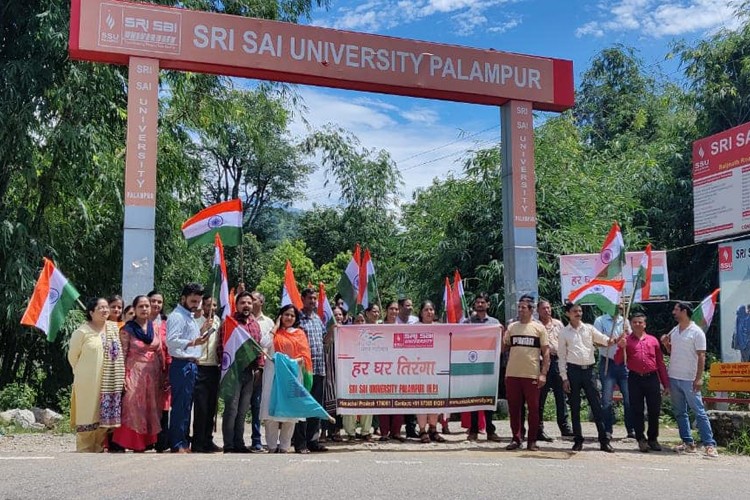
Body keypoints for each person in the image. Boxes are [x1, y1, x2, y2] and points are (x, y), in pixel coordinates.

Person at [661, 302, 718, 458]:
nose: (674, 312)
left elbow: (701, 356)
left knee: (699, 412)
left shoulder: (697, 332)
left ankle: (709, 445)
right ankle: (688, 443)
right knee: (680, 412)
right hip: (674, 376)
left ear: (684, 312)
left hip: (689, 378)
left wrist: (698, 378)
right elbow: (673, 352)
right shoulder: (675, 330)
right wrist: (666, 345)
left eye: (676, 310)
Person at [558, 302, 617, 453]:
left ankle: (604, 440)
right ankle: (578, 440)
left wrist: (613, 340)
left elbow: (605, 340)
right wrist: (564, 378)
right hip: (573, 372)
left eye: (580, 310)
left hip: (589, 372)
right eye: (575, 311)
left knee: (597, 407)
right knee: (575, 408)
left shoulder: (589, 329)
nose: (578, 313)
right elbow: (562, 357)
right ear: (568, 314)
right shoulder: (564, 332)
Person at [67, 298, 124, 452]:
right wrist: (82, 372)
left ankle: (98, 446)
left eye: (106, 307)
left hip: (109, 382)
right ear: (91, 312)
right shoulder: (82, 332)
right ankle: (84, 448)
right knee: (87, 413)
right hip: (87, 382)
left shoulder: (113, 329)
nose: (105, 310)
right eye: (101, 308)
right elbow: (73, 357)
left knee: (103, 415)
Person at [112, 296, 166, 452]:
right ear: (134, 309)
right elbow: (121, 354)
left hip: (153, 374)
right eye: (141, 306)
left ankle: (147, 442)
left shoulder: (154, 328)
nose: (144, 309)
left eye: (147, 306)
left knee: (151, 407)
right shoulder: (127, 330)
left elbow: (159, 350)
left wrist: (163, 373)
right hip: (133, 372)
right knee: (132, 406)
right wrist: (122, 376)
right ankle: (129, 442)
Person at [260, 305, 312, 453]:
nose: (289, 318)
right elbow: (263, 344)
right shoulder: (274, 333)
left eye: (292, 316)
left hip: (292, 375)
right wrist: (275, 327)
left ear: (296, 319)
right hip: (273, 375)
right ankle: (271, 446)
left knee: (291, 412)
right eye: (286, 315)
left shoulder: (299, 334)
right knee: (271, 411)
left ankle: (284, 446)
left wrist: (289, 362)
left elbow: (305, 356)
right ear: (280, 316)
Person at [166, 283, 211, 453]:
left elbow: (188, 337)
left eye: (198, 301)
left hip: (191, 364)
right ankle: (177, 443)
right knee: (180, 405)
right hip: (181, 364)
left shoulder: (189, 316)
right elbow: (171, 341)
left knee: (186, 406)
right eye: (193, 300)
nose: (195, 304)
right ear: (183, 298)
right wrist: (193, 342)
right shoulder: (177, 316)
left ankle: (183, 441)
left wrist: (202, 331)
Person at [614, 312, 669, 452]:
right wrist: (621, 347)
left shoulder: (653, 340)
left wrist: (666, 383)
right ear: (631, 324)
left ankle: (653, 438)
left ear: (645, 324)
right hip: (634, 378)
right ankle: (640, 438)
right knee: (636, 409)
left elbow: (660, 363)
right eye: (635, 322)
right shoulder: (626, 340)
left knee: (654, 410)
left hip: (652, 378)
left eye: (640, 322)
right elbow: (618, 361)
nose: (637, 324)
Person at [503, 295, 550, 452]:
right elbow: (503, 347)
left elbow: (546, 353)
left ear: (531, 310)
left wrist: (543, 373)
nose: (520, 310)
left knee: (534, 409)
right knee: (514, 408)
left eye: (524, 307)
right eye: (519, 307)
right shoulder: (512, 327)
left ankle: (532, 440)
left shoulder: (539, 328)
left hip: (531, 375)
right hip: (513, 374)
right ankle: (516, 438)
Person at [221, 291, 265, 453]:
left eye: (248, 303)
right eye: (242, 303)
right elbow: (221, 347)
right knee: (231, 409)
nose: (246, 305)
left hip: (250, 372)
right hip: (233, 372)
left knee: (243, 409)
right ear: (236, 305)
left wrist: (259, 369)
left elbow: (258, 348)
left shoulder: (255, 324)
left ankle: (239, 443)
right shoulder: (230, 323)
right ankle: (229, 444)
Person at [462, 292, 503, 443]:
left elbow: (500, 344)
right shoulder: (467, 323)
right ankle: (473, 430)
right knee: (473, 399)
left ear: (488, 305)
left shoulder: (494, 323)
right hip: (471, 366)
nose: (480, 305)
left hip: (488, 367)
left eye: (482, 302)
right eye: (478, 302)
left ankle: (490, 430)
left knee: (488, 399)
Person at [294, 288, 328, 453]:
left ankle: (313, 441)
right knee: (302, 407)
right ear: (303, 299)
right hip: (304, 370)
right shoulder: (297, 319)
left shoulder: (317, 319)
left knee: (315, 406)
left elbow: (324, 340)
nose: (313, 301)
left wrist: (336, 329)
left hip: (319, 369)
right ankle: (300, 443)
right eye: (310, 298)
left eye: (315, 299)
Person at [594, 304, 635, 439]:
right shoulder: (600, 321)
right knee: (606, 400)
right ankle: (607, 430)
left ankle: (631, 429)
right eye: (617, 307)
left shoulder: (625, 321)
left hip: (623, 363)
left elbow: (631, 340)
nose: (619, 310)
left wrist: (627, 338)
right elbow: (597, 342)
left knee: (629, 399)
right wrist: (616, 341)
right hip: (607, 362)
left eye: (622, 308)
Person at [536, 298, 573, 441]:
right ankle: (539, 429)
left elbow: (565, 342)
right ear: (538, 311)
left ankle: (565, 427)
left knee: (561, 396)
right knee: (540, 398)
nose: (547, 311)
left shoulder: (558, 324)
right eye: (544, 308)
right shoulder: (535, 325)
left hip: (558, 361)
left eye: (549, 308)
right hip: (541, 363)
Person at [342, 303, 379, 441]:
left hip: (368, 375)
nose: (360, 323)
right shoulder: (346, 337)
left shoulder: (372, 337)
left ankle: (365, 432)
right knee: (350, 404)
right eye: (357, 321)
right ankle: (351, 433)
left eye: (362, 320)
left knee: (367, 404)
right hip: (350, 375)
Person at [191, 295, 221, 453]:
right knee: (201, 408)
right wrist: (203, 328)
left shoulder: (218, 321)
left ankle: (208, 440)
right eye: (209, 305)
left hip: (214, 366)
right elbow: (192, 340)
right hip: (200, 365)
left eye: (214, 305)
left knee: (211, 407)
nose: (212, 308)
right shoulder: (196, 321)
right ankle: (197, 442)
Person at [416, 300, 446, 443]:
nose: (429, 312)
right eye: (426, 310)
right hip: (418, 371)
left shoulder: (441, 328)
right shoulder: (413, 328)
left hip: (436, 370)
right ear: (421, 313)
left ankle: (433, 429)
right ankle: (422, 430)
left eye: (431, 310)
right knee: (421, 401)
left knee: (435, 401)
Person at [377, 301, 405, 442]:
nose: (394, 311)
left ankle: (396, 432)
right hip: (383, 370)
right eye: (391, 309)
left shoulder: (403, 328)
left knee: (398, 402)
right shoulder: (379, 327)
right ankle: (384, 432)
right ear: (386, 310)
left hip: (399, 370)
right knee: (384, 402)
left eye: (396, 309)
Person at [250, 291, 274, 452]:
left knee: (259, 404)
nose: (250, 302)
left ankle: (257, 439)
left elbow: (270, 344)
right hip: (245, 367)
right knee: (242, 404)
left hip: (264, 368)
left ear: (261, 303)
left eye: (254, 299)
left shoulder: (269, 322)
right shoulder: (242, 320)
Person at [147, 290, 170, 453]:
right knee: (146, 405)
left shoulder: (167, 322)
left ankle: (162, 441)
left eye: (159, 302)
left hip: (164, 369)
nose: (156, 304)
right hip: (145, 370)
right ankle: (147, 440)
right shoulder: (139, 322)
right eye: (153, 301)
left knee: (163, 405)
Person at [322, 305, 345, 442]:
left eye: (340, 315)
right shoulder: (325, 330)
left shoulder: (348, 332)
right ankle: (323, 431)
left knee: (340, 401)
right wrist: (331, 331)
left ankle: (337, 431)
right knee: (326, 400)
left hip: (342, 373)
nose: (338, 317)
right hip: (328, 371)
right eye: (335, 315)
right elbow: (325, 345)